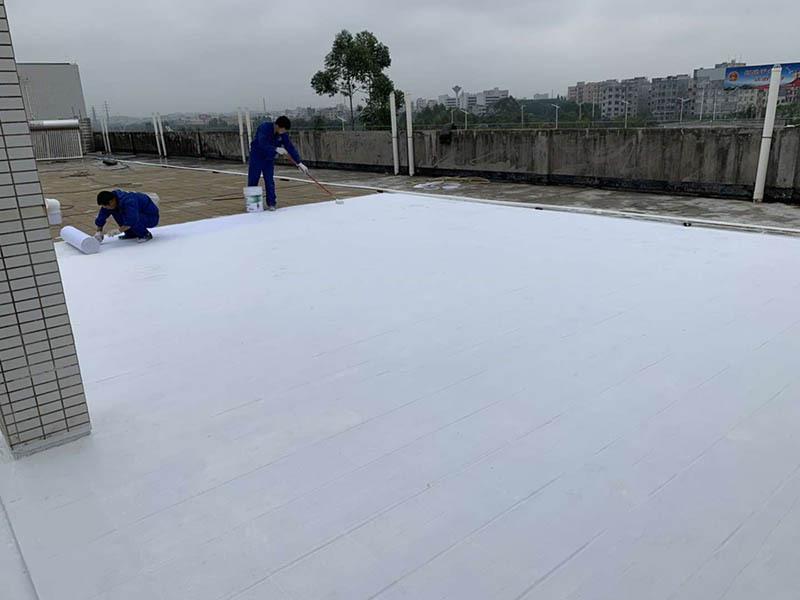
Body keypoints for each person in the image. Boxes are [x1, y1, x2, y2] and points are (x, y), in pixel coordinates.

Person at [248, 115, 309, 211]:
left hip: (268, 159)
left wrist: (299, 163)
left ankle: (271, 203)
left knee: (269, 180)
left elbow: (290, 147)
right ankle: (253, 205)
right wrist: (276, 149)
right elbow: (262, 143)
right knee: (253, 179)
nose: (284, 132)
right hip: (257, 157)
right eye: (283, 130)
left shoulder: (282, 134)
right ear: (277, 126)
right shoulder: (264, 128)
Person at [94, 190, 160, 242]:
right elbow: (102, 216)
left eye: (106, 206)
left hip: (150, 217)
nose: (105, 208)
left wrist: (119, 230)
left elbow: (132, 219)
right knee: (116, 212)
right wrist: (99, 231)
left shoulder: (129, 201)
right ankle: (131, 234)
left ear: (111, 201)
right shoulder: (110, 203)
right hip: (137, 215)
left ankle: (145, 235)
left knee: (131, 217)